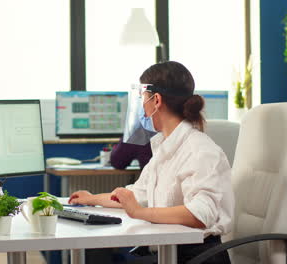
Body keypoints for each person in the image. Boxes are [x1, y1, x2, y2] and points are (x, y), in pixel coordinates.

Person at [69, 61, 234, 264]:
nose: (141, 107)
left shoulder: (200, 151)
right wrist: (92, 199)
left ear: (156, 100)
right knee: (94, 255)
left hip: (198, 257)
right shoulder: (164, 149)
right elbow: (138, 195)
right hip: (169, 252)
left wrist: (140, 213)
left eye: (142, 98)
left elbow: (200, 214)